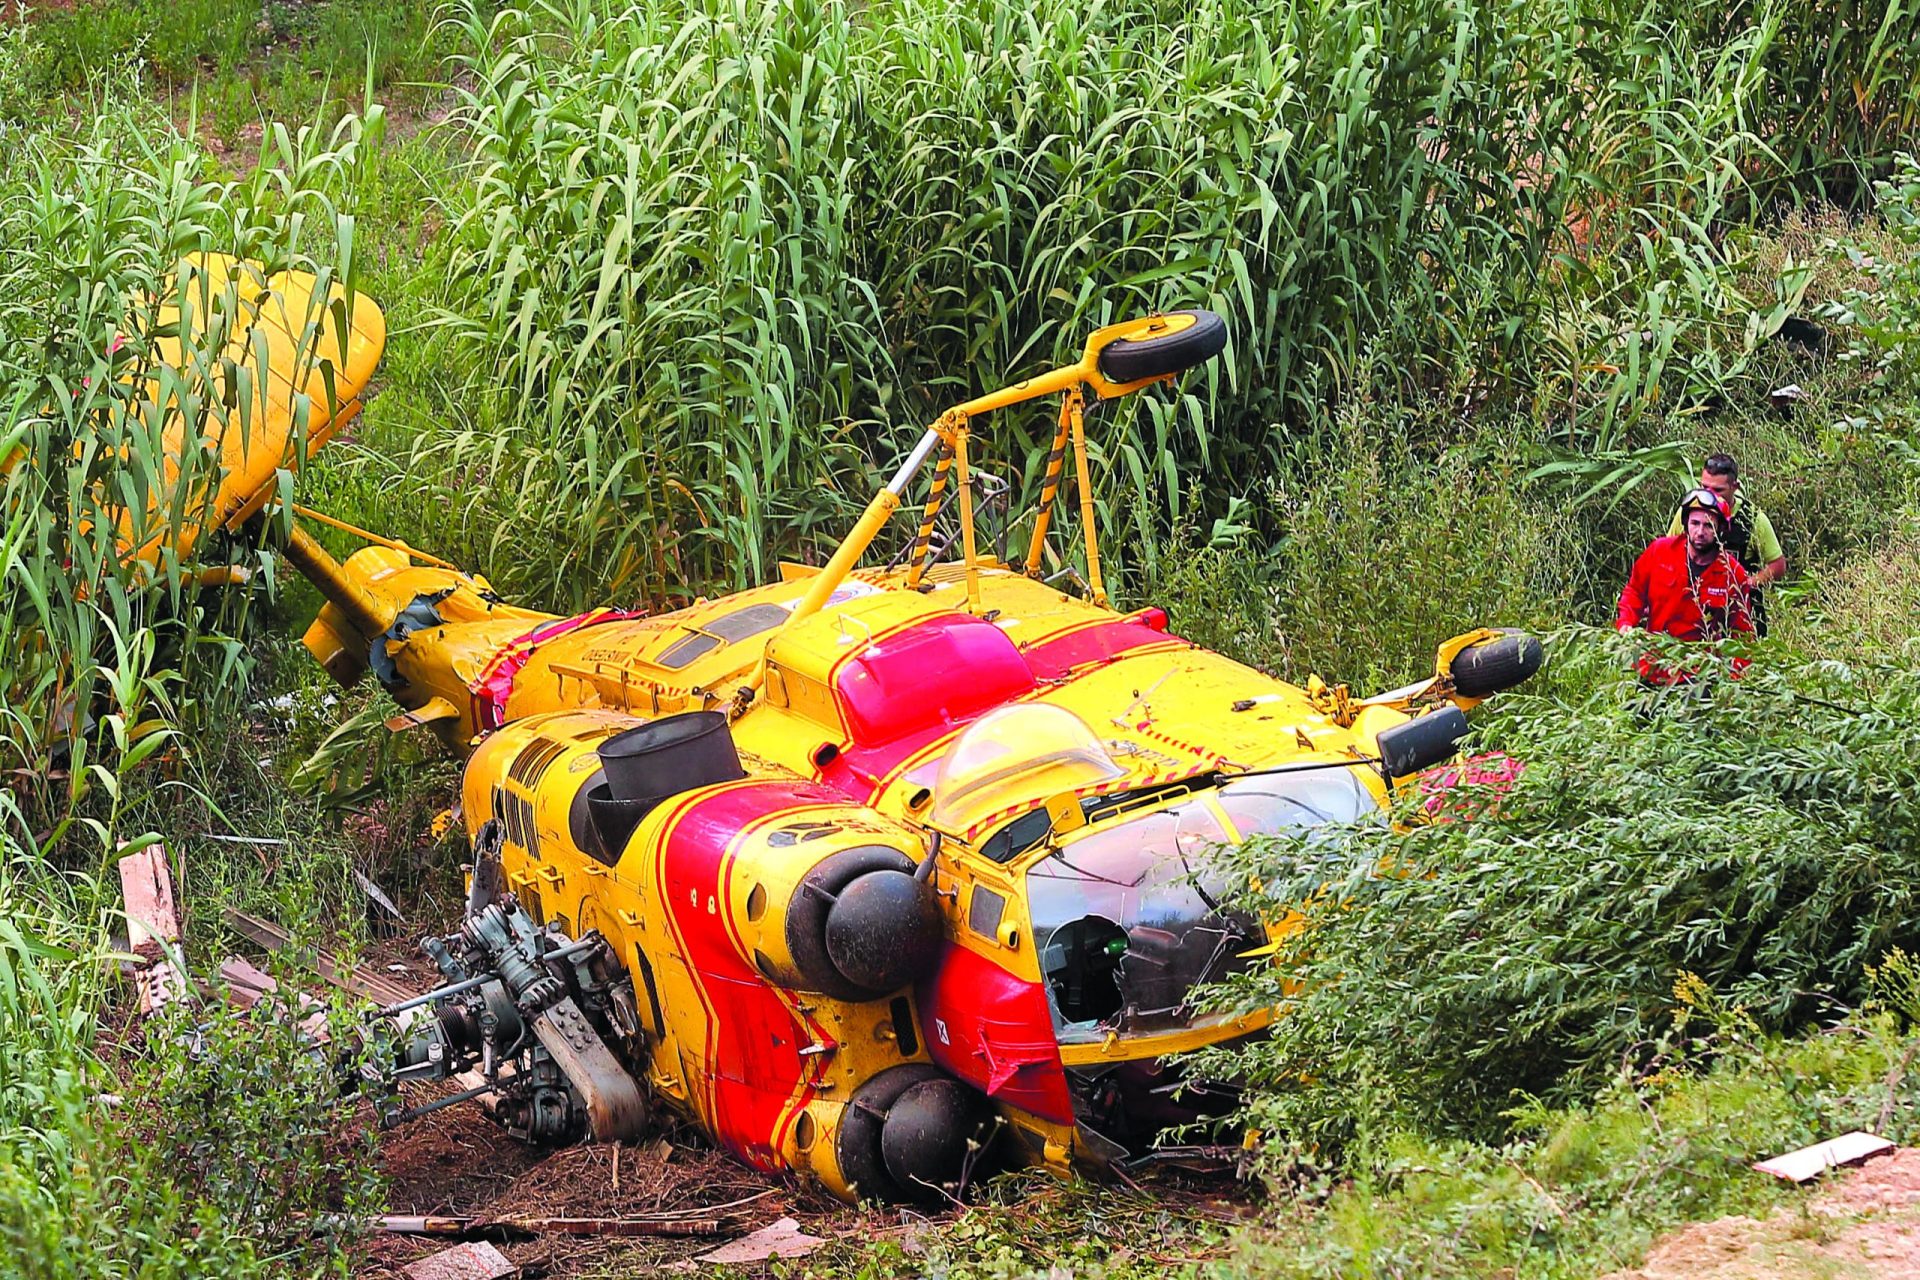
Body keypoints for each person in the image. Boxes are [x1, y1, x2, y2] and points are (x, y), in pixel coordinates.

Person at [1618, 488, 1754, 685]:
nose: (1700, 532)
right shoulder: (1660, 552)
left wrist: (1733, 680)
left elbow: (1743, 634)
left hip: (1698, 677)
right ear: (1685, 524)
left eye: (1708, 526)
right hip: (1654, 667)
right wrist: (1626, 625)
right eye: (1695, 523)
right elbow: (1634, 591)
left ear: (1721, 529)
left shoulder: (1733, 573)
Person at [1664, 453, 1785, 634]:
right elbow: (1667, 554)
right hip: (1693, 613)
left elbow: (1778, 565)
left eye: (1718, 490)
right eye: (1704, 487)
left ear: (1734, 487)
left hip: (1739, 615)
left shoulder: (1753, 519)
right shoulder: (1689, 511)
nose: (1710, 496)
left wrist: (1748, 584)